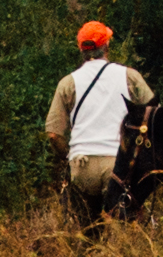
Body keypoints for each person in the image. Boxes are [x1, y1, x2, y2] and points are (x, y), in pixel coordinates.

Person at [46, 19, 145, 218]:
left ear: (80, 48)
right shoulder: (129, 76)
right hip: (119, 164)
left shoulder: (68, 83)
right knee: (124, 223)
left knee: (89, 226)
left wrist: (69, 156)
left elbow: (53, 135)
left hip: (82, 166)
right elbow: (154, 115)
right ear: (106, 46)